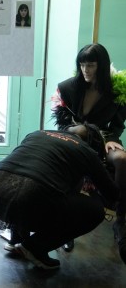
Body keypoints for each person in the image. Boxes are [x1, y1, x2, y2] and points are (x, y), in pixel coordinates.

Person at [0, 128, 119, 270]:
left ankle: (16, 240)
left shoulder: (36, 133)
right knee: (95, 210)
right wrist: (92, 190)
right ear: (92, 142)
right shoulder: (86, 150)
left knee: (29, 185)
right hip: (29, 199)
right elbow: (112, 193)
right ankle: (34, 247)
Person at [51, 43, 126, 264]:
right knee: (79, 137)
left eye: (91, 65)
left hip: (104, 139)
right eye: (82, 65)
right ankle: (65, 229)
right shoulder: (68, 87)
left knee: (122, 159)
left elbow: (118, 125)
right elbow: (62, 122)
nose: (85, 69)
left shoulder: (117, 91)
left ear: (101, 66)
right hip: (75, 138)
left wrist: (111, 140)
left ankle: (120, 218)